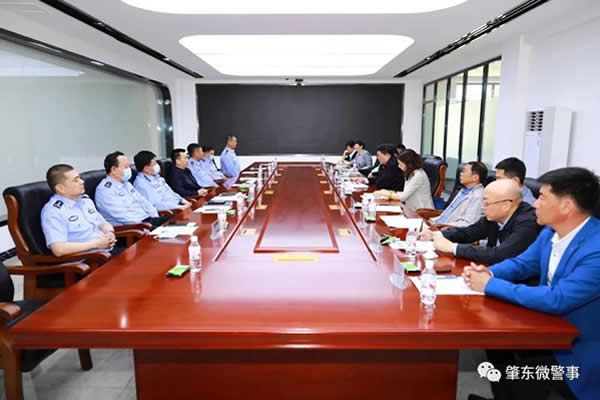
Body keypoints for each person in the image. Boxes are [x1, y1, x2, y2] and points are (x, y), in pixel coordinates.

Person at [464, 167, 600, 400]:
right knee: (495, 342)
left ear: (566, 206)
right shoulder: (550, 232)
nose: (534, 204)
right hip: (547, 326)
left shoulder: (595, 249)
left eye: (542, 198)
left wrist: (488, 285)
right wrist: (489, 273)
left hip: (580, 349)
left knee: (518, 373)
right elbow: (523, 264)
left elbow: (557, 299)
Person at [422, 179, 540, 264]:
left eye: (486, 203)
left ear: (506, 205)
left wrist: (453, 248)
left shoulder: (528, 223)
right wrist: (436, 234)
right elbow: (470, 232)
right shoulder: (495, 216)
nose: (482, 207)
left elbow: (500, 254)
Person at [41, 164, 117, 257]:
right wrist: (96, 244)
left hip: (107, 252)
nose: (82, 182)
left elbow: (102, 223)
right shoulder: (53, 211)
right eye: (76, 180)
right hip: (87, 260)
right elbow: (59, 249)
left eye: (80, 178)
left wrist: (109, 233)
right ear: (61, 188)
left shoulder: (85, 200)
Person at [95, 151, 172, 229]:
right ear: (114, 169)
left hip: (148, 220)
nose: (129, 170)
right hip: (134, 227)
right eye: (126, 167)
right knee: (172, 230)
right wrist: (146, 226)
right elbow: (123, 216)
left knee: (175, 220)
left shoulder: (126, 184)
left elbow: (143, 201)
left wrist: (155, 218)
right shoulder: (105, 191)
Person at [430, 161, 487, 228]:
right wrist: (432, 221)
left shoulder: (478, 196)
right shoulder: (464, 190)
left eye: (464, 171)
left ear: (475, 177)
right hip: (437, 224)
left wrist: (441, 226)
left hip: (447, 230)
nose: (461, 174)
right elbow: (446, 214)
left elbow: (468, 223)